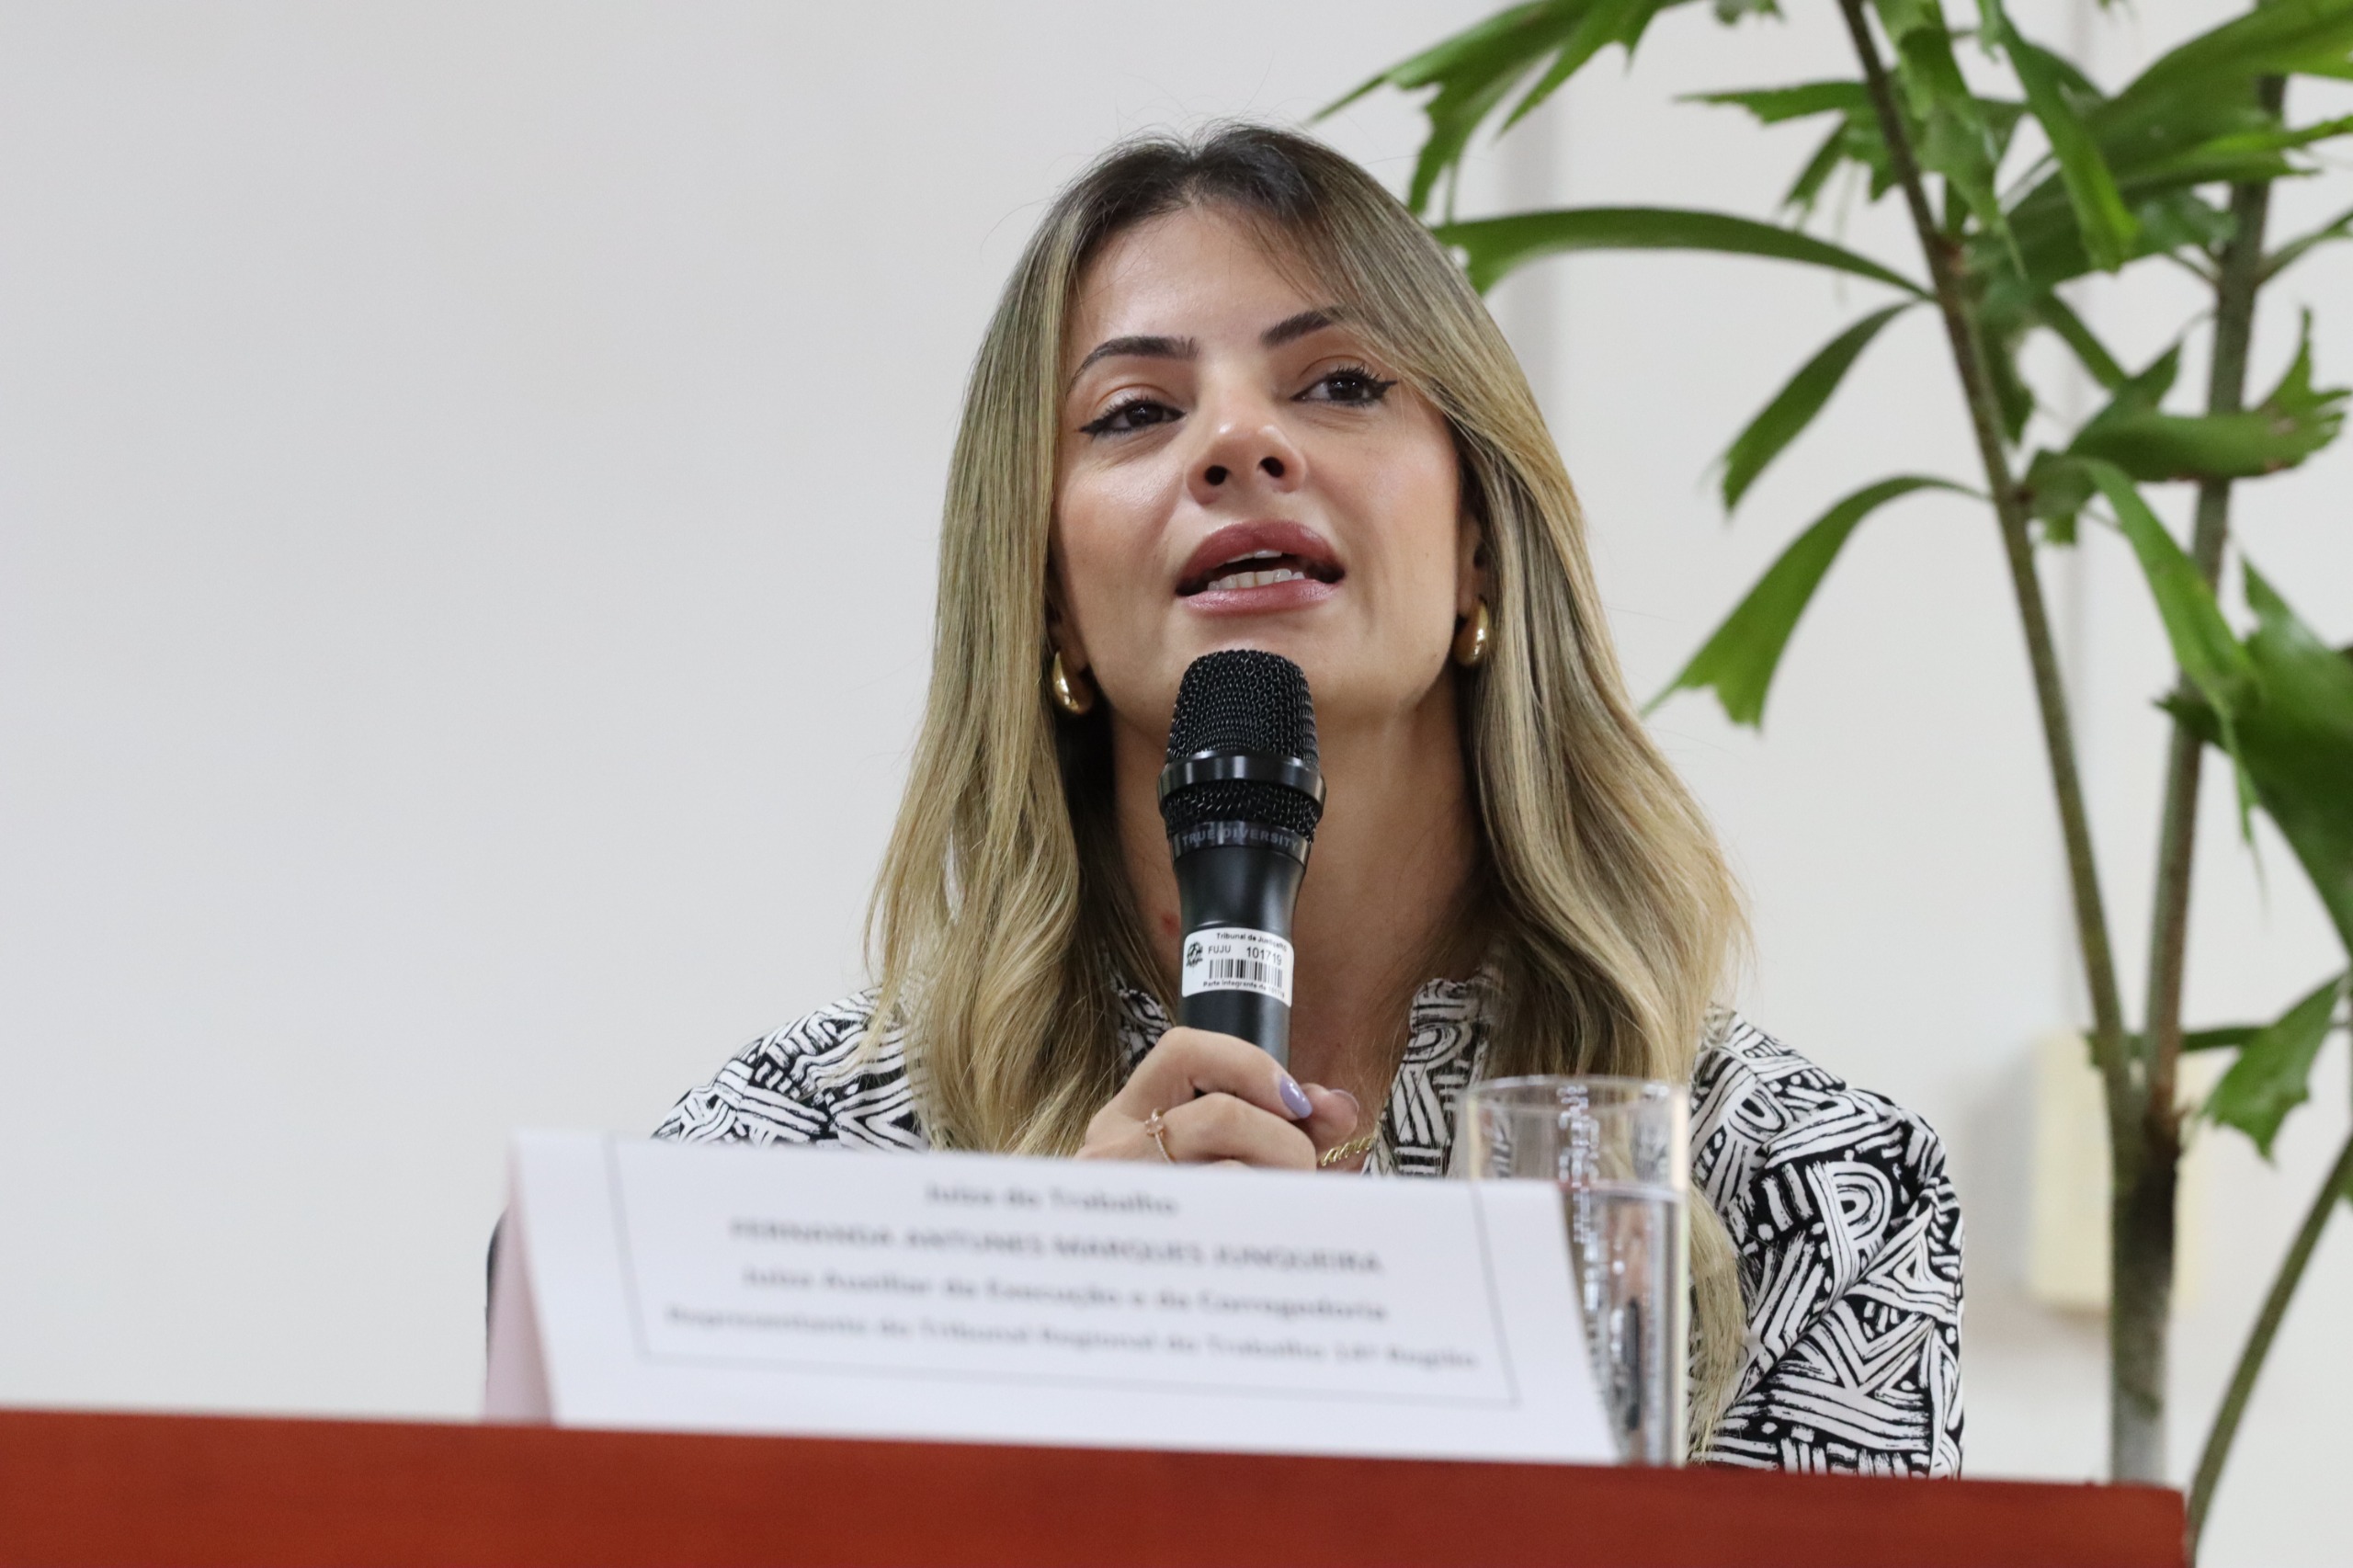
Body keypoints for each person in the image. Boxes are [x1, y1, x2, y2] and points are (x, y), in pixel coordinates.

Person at [656, 124, 1961, 1475]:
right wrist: (1044, 1382)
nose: (1238, 441)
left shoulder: (1803, 1192)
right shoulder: (783, 1181)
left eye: (1339, 382)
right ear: (1044, 596)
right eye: (1135, 413)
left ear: (1479, 546)